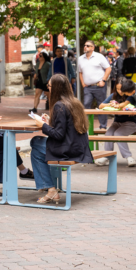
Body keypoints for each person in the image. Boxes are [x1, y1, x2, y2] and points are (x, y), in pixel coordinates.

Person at [29, 74, 93, 203]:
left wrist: (43, 125)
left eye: (49, 86)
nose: (48, 88)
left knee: (35, 147)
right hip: (79, 147)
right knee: (36, 143)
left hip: (68, 149)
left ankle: (51, 189)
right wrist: (50, 121)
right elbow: (67, 127)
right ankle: (49, 187)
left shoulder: (59, 105)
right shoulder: (74, 102)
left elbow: (58, 135)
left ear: (56, 88)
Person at [95, 79, 136, 167]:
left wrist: (118, 105)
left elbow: (126, 105)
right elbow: (100, 106)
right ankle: (107, 157)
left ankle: (129, 157)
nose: (120, 91)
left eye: (121, 89)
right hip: (117, 123)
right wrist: (110, 104)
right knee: (108, 134)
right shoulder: (113, 95)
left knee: (118, 134)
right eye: (118, 89)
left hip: (130, 123)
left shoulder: (130, 96)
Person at [78, 40, 111, 129]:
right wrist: (83, 83)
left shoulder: (99, 56)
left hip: (99, 86)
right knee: (86, 105)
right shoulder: (80, 58)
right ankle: (85, 126)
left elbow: (108, 68)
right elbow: (80, 72)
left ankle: (103, 126)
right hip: (88, 87)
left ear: (93, 48)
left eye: (88, 46)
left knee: (101, 105)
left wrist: (103, 80)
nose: (85, 47)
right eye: (85, 45)